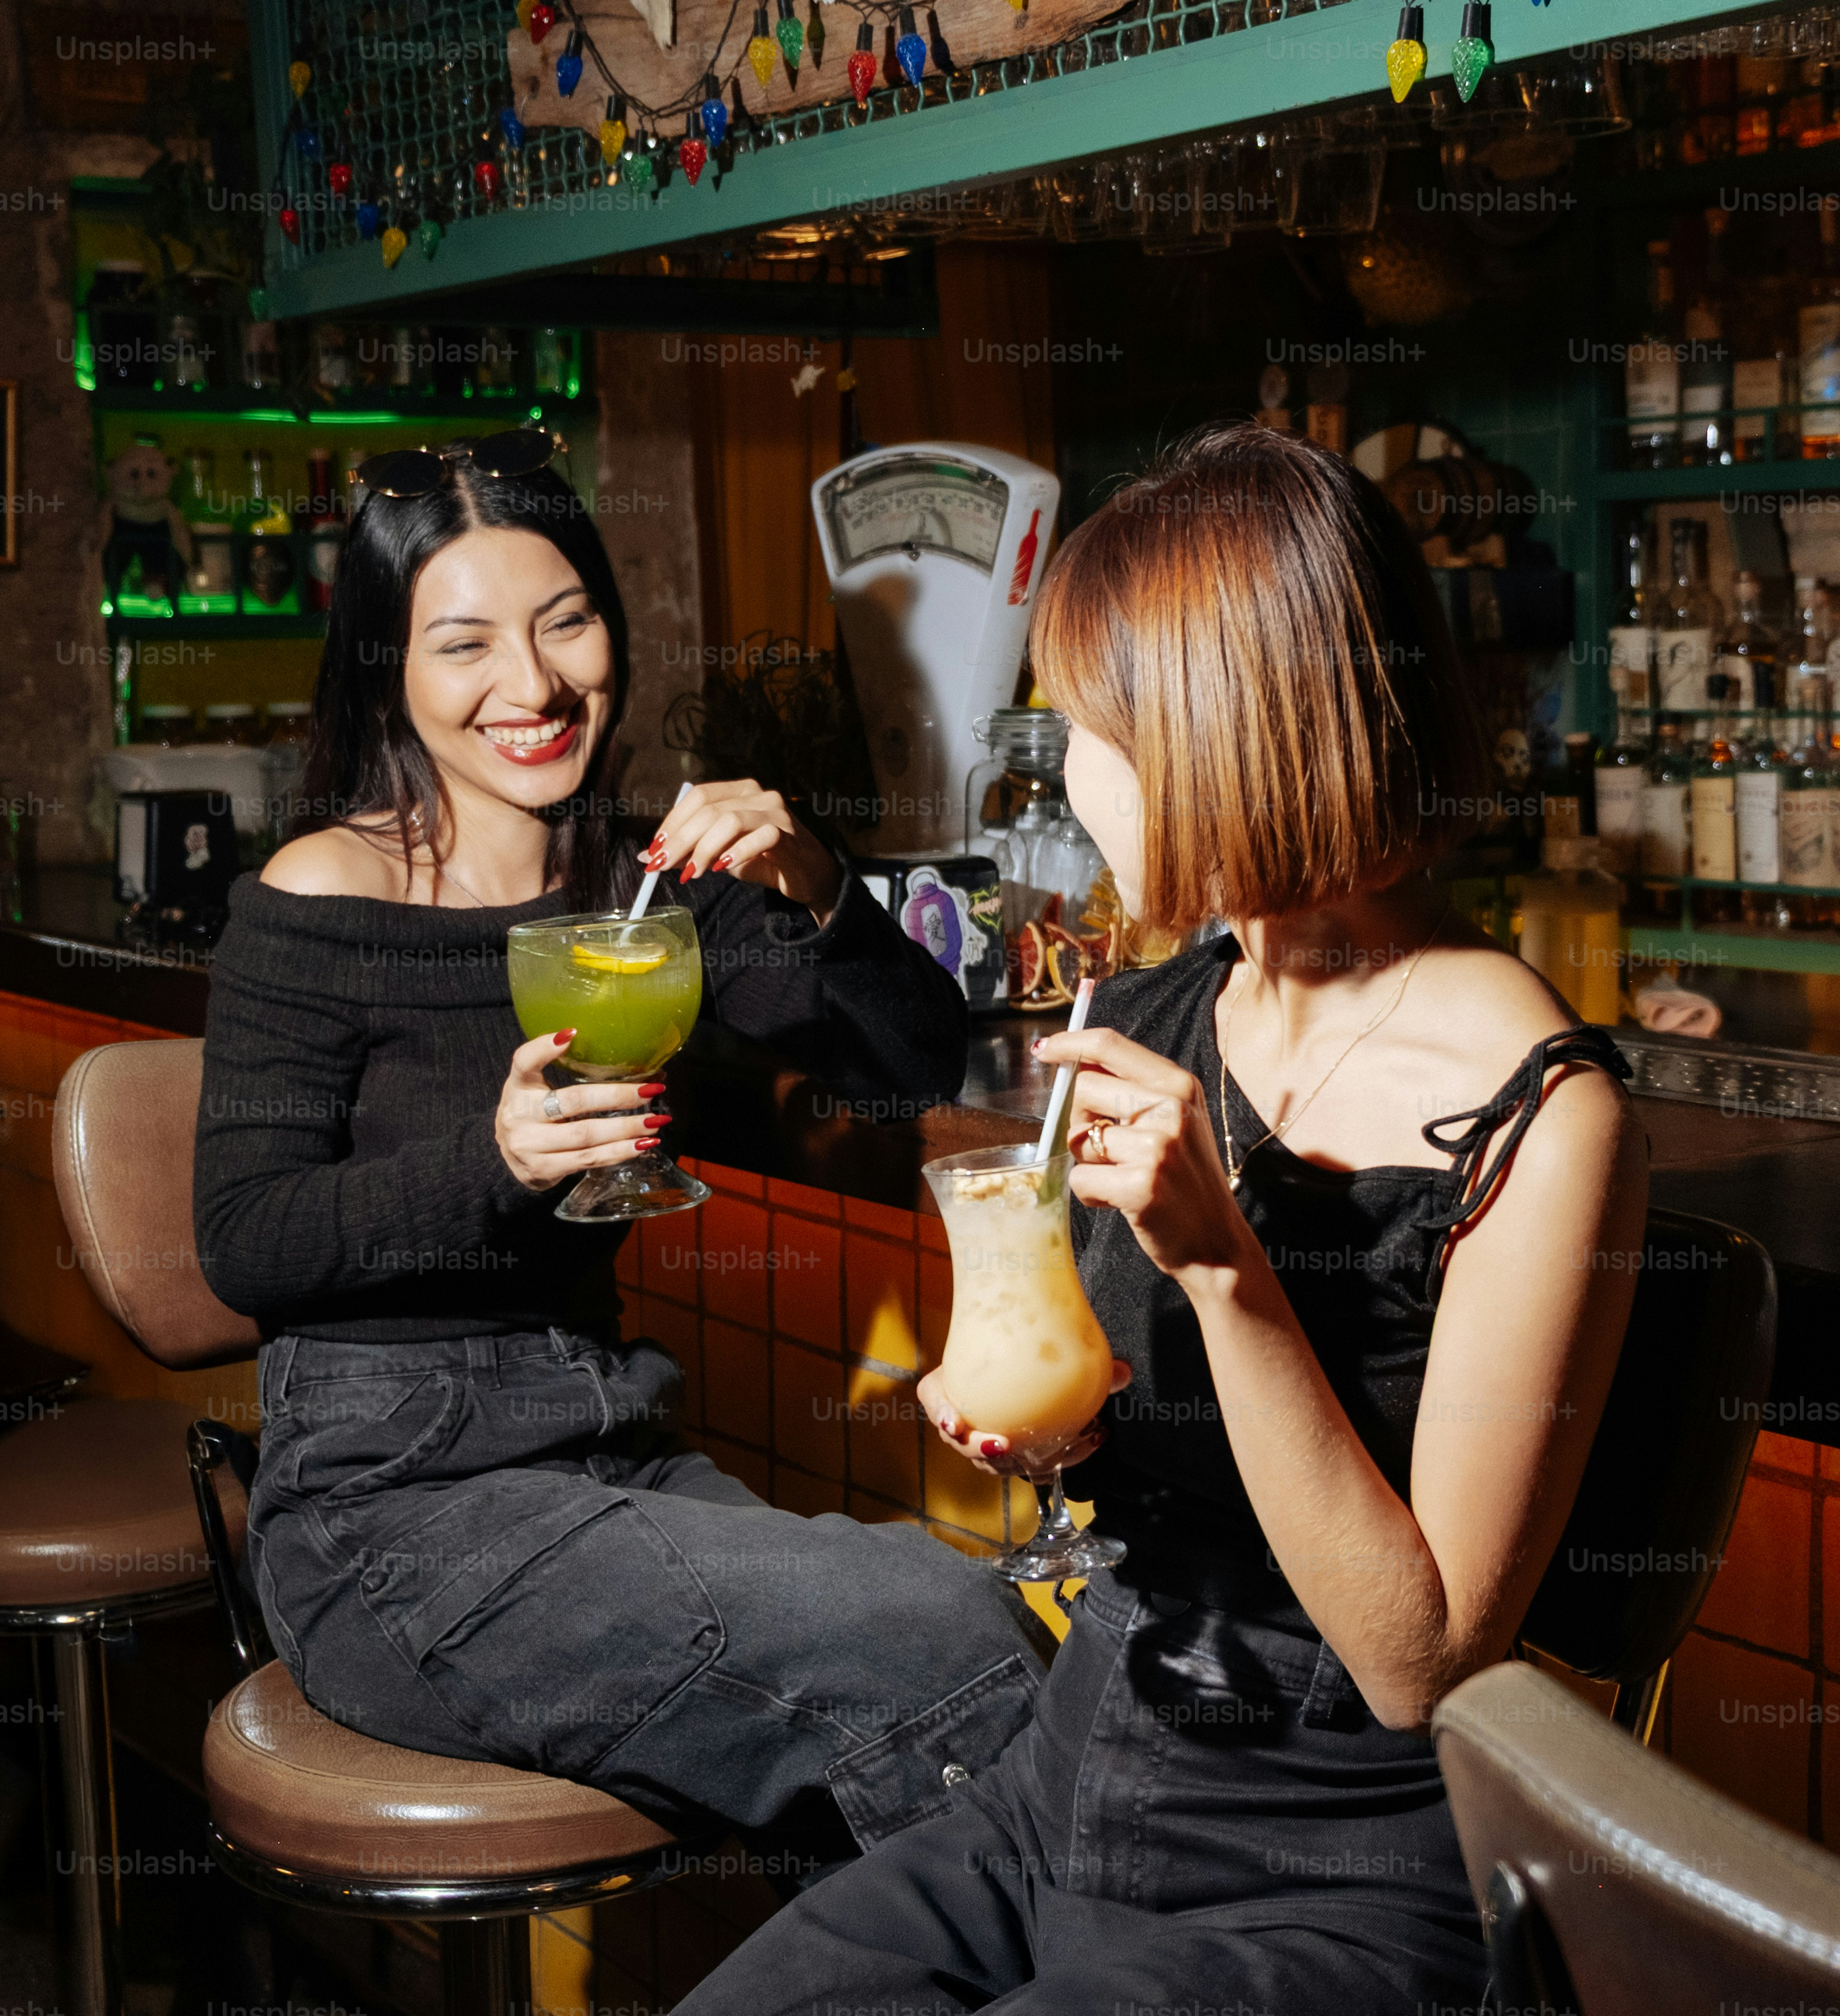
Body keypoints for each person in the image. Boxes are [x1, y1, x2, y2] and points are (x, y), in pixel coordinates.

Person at [677, 422, 1650, 2012]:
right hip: (1074, 1776)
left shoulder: (1545, 1116)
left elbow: (1424, 1666)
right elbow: (1118, 1425)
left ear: (1223, 736)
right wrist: (1051, 1434)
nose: (1061, 775)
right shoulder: (1150, 1009)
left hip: (1340, 1864)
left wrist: (1226, 1271)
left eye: (1086, 732)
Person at [193, 432, 1048, 1871]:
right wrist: (496, 1161)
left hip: (605, 1447)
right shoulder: (322, 891)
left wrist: (819, 879)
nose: (531, 689)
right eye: (463, 644)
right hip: (386, 1504)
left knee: (955, 1646)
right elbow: (244, 1239)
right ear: (386, 668)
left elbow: (905, 1065)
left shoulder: (650, 890)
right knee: (945, 1634)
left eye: (566, 624)